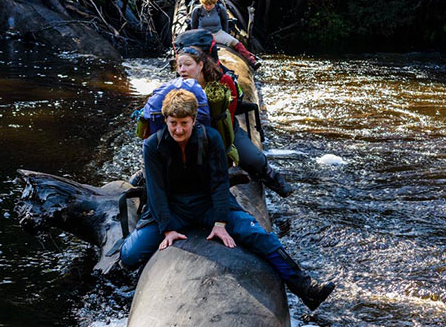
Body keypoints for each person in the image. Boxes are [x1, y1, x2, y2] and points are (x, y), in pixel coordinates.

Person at [119, 89, 335, 311]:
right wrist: (167, 229)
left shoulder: (211, 138)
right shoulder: (152, 146)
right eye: (173, 123)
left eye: (184, 123)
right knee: (130, 255)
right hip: (171, 209)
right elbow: (156, 191)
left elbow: (219, 183)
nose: (178, 129)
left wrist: (220, 222)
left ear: (193, 120)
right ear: (166, 121)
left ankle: (306, 287)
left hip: (208, 205)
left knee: (257, 235)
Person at [177, 45, 292, 197]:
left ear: (200, 65)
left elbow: (228, 117)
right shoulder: (178, 86)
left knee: (253, 159)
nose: (182, 70)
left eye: (187, 65)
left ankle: (271, 177)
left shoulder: (223, 81)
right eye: (179, 66)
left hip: (225, 129)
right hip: (191, 133)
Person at [190, 0, 260, 69]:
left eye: (210, 5)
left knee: (236, 43)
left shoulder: (220, 9)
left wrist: (225, 33)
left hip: (217, 32)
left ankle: (251, 61)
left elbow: (225, 22)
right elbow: (194, 25)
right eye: (206, 5)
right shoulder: (197, 10)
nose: (208, 7)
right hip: (203, 34)